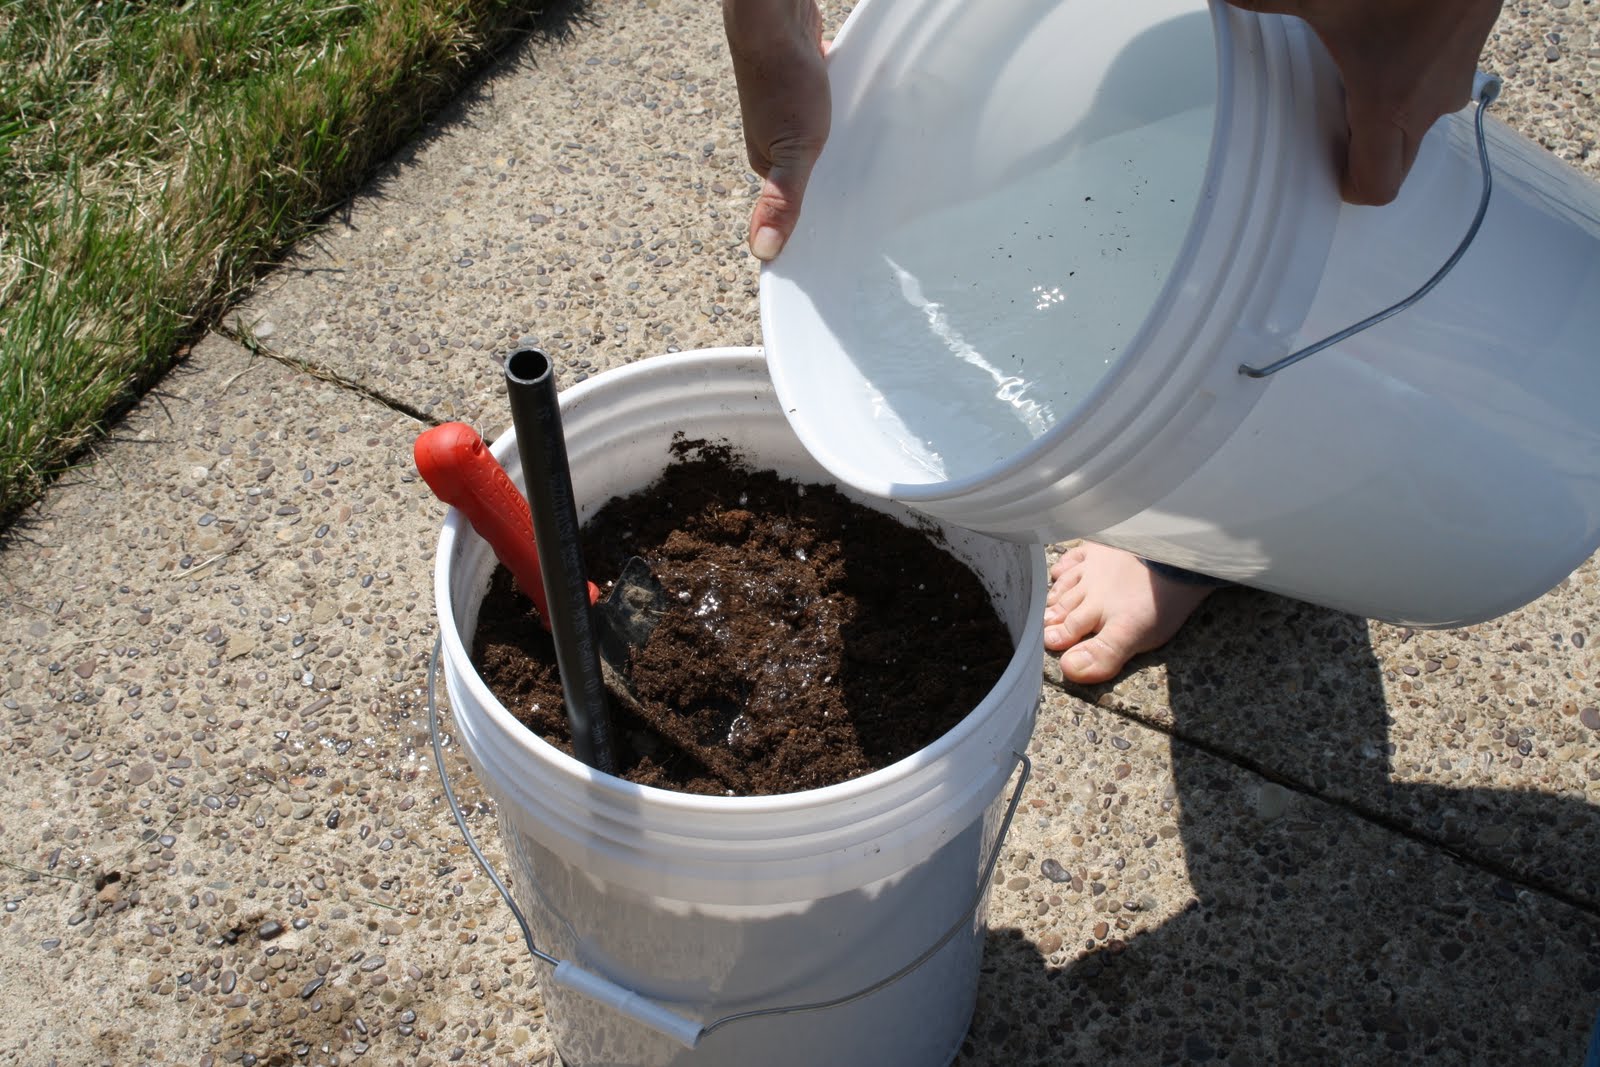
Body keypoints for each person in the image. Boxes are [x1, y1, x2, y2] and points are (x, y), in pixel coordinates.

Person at [722, 0, 1503, 684]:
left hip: (1503, 387)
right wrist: (765, 25)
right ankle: (1199, 531)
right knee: (1151, 96)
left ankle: (1223, 511)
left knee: (1298, 206)